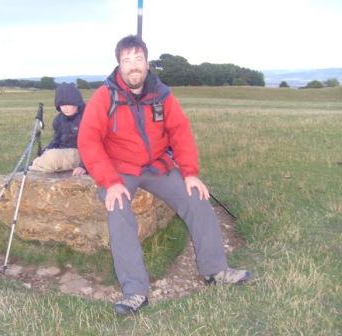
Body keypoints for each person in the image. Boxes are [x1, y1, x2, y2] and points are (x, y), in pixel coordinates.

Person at [78, 35, 251, 315]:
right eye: (126, 60)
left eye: (138, 59)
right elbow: (88, 141)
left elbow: (180, 132)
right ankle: (135, 291)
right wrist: (109, 182)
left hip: (158, 165)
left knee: (196, 197)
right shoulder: (104, 96)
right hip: (120, 169)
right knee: (118, 208)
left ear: (147, 62)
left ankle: (215, 271)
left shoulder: (162, 94)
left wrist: (191, 173)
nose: (133, 66)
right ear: (119, 65)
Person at [30, 82, 86, 176]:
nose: (65, 108)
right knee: (46, 152)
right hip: (64, 151)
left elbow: (94, 144)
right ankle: (32, 166)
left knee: (53, 157)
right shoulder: (59, 119)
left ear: (77, 103)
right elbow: (56, 140)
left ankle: (31, 168)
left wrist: (83, 166)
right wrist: (46, 151)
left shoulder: (87, 116)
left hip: (82, 153)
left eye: (69, 104)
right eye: (62, 105)